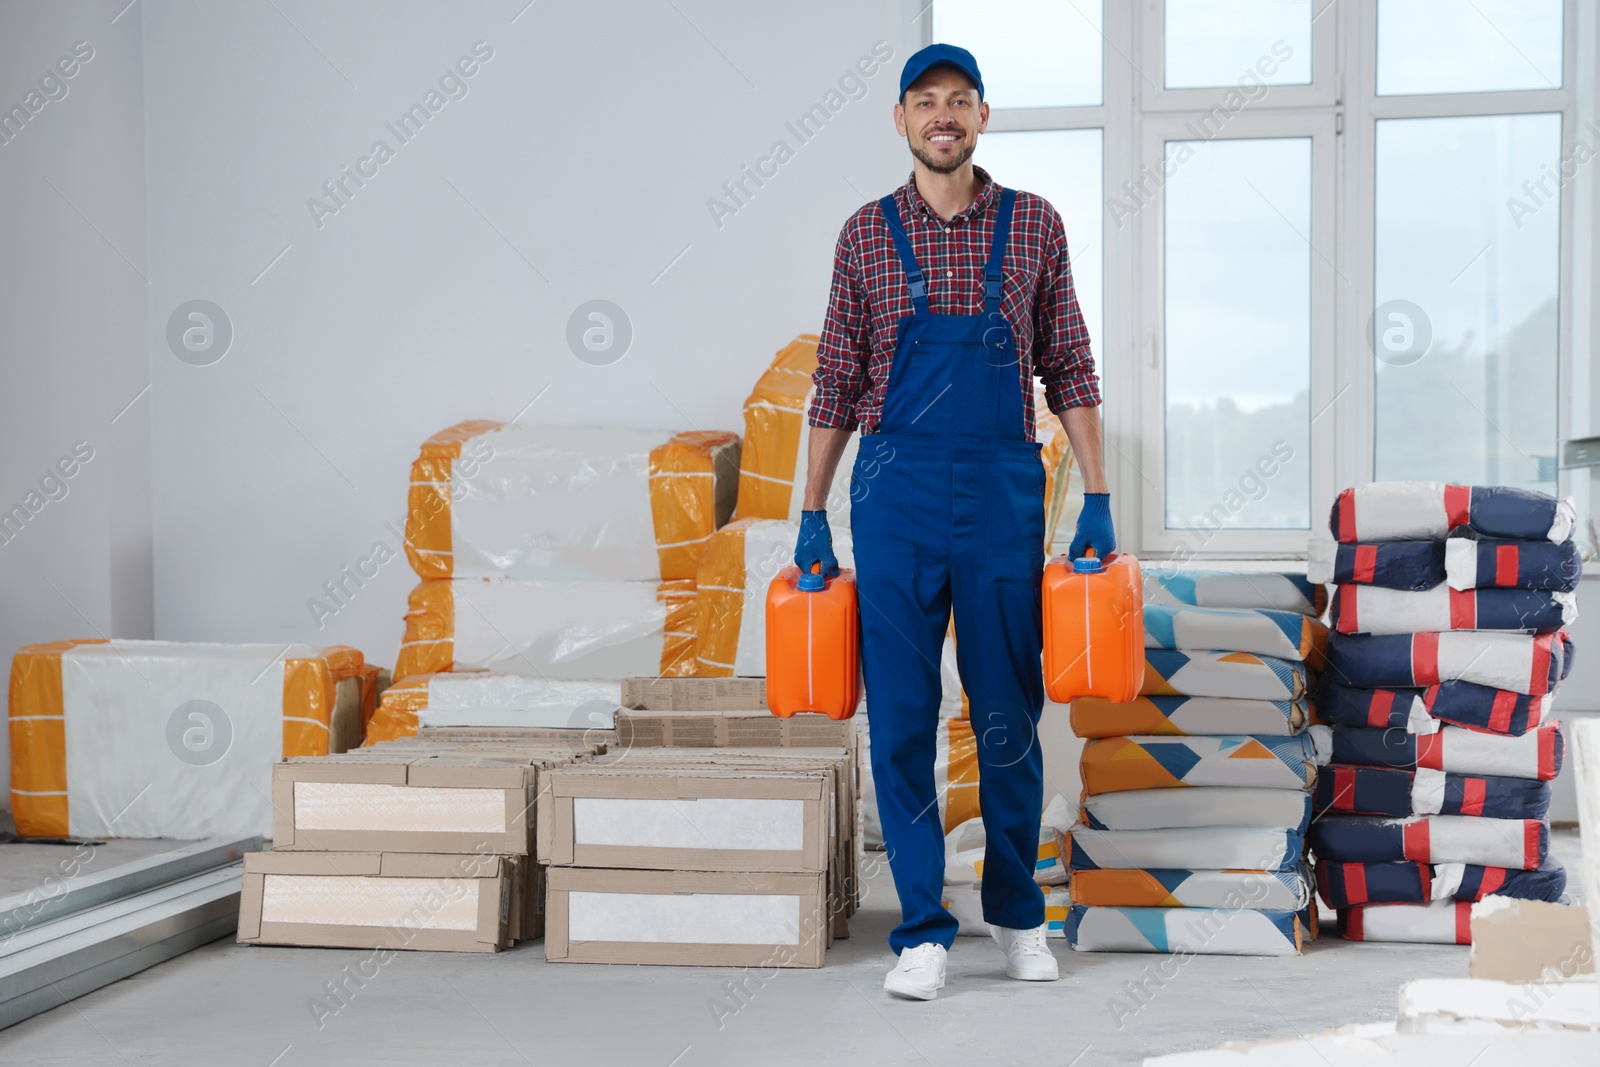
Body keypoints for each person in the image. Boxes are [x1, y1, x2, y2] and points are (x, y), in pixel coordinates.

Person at [793, 43, 1113, 1001]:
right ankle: (923, 931)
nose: (943, 116)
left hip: (1001, 493)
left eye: (959, 101)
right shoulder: (863, 235)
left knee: (1009, 713)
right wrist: (808, 509)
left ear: (983, 117)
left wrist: (1097, 494)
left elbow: (1073, 367)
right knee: (900, 717)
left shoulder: (1034, 226)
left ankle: (1019, 917)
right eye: (924, 102)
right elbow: (836, 383)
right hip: (892, 492)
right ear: (900, 120)